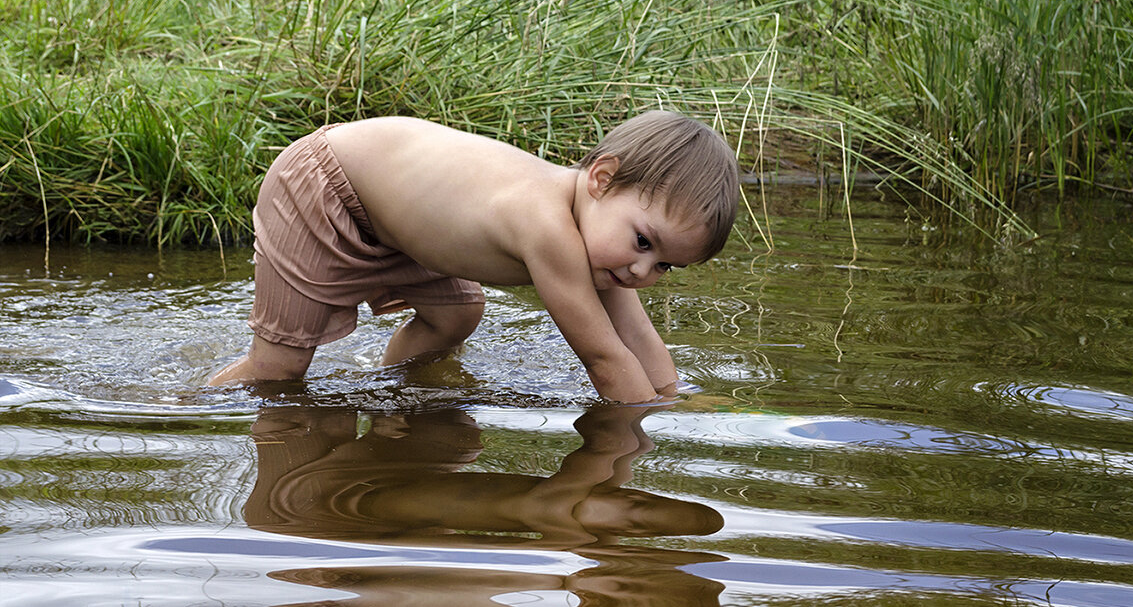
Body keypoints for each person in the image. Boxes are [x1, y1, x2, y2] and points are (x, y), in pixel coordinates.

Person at [208, 110, 739, 403]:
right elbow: (605, 359)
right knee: (277, 372)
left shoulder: (603, 236)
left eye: (666, 265)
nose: (641, 271)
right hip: (324, 192)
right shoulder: (547, 226)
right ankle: (176, 407)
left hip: (392, 218)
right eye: (644, 243)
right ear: (601, 179)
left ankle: (393, 392)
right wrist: (647, 429)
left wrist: (677, 396)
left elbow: (638, 338)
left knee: (457, 315)